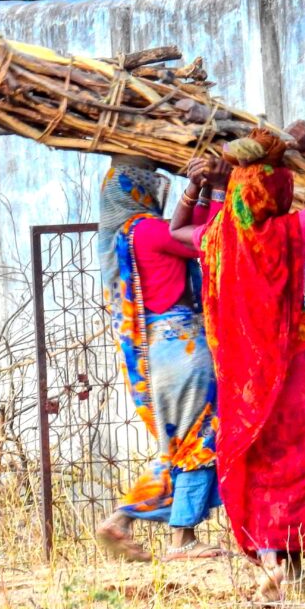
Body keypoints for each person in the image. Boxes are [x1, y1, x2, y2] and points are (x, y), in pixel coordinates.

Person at [171, 122, 305, 601]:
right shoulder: (291, 229)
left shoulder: (214, 239)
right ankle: (293, 566)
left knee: (255, 462)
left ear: (236, 190)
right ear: (277, 189)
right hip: (296, 365)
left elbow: (177, 229)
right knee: (298, 460)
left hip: (241, 378)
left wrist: (198, 186)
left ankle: (271, 562)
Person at [96, 153, 232, 562]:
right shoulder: (148, 231)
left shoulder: (123, 237)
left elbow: (190, 229)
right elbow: (210, 239)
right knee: (200, 440)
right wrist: (220, 189)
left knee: (177, 445)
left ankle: (122, 519)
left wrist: (201, 190)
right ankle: (181, 540)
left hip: (157, 352)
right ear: (136, 191)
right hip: (183, 348)